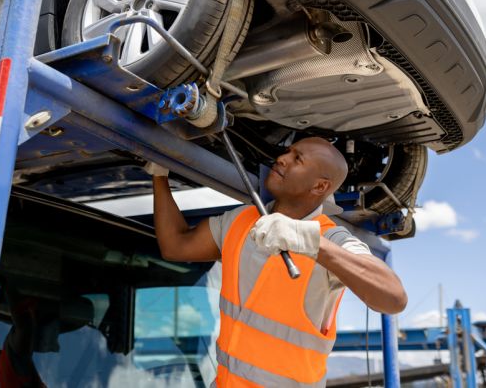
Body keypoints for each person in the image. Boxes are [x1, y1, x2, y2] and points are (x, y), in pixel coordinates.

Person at [146, 137, 407, 387]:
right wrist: (160, 175)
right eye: (287, 152)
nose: (282, 159)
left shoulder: (331, 238)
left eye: (297, 159)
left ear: (319, 187)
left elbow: (394, 298)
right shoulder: (241, 220)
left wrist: (310, 242)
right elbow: (176, 246)